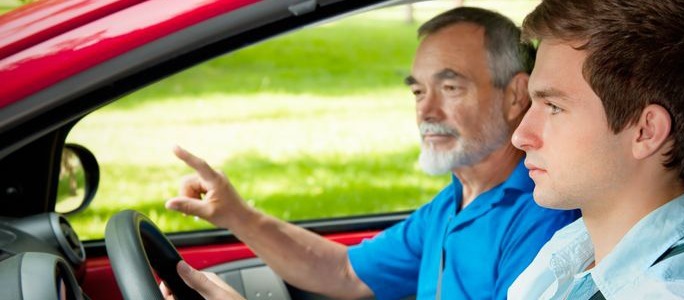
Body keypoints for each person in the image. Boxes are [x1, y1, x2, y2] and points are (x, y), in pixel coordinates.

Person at [162, 7, 580, 300]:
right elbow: (344, 272)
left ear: (515, 95)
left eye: (450, 88)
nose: (426, 111)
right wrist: (236, 214)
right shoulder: (455, 201)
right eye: (418, 90)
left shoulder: (542, 215)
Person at [507, 0, 684, 299]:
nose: (520, 136)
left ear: (645, 132)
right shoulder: (574, 250)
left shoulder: (675, 292)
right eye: (534, 104)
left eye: (554, 107)